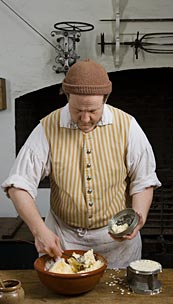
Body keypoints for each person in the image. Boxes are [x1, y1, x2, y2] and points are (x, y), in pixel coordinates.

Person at [1, 59, 161, 268]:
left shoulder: (128, 126)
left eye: (93, 111)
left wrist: (136, 218)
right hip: (63, 240)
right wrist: (40, 231)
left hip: (115, 243)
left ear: (105, 99)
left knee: (117, 300)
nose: (85, 118)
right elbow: (18, 185)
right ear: (67, 98)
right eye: (77, 110)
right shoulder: (48, 128)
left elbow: (144, 179)